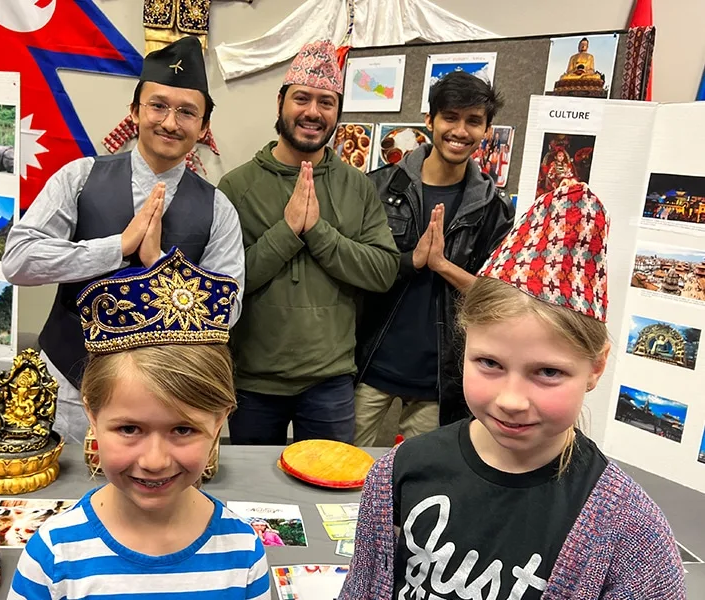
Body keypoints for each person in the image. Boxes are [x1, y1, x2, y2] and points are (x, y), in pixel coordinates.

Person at [338, 182, 686, 600]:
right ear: (464, 347)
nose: (511, 400)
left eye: (548, 372)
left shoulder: (629, 532)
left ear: (596, 367)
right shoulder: (399, 473)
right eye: (489, 364)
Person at [1, 36, 245, 444]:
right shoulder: (79, 177)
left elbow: (228, 310)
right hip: (68, 391)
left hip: (170, 404)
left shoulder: (218, 208)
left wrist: (158, 265)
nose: (170, 122)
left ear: (203, 128)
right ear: (134, 111)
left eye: (187, 112)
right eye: (158, 105)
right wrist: (116, 247)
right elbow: (18, 261)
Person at [8, 248, 270, 600]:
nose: (154, 461)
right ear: (93, 416)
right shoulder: (53, 556)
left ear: (220, 421)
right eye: (130, 429)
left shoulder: (243, 552)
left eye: (183, 430)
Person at [217, 39, 399, 445]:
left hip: (330, 381)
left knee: (326, 498)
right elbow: (222, 286)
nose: (313, 112)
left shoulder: (357, 185)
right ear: (280, 102)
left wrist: (317, 232)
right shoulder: (236, 186)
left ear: (337, 112)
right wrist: (287, 233)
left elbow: (384, 272)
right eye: (302, 98)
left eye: (326, 102)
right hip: (253, 381)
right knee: (254, 494)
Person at [354, 71, 516, 446]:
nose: (460, 130)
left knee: (416, 482)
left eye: (473, 121)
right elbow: (357, 271)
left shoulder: (493, 207)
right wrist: (412, 260)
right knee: (343, 471)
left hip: (439, 379)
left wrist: (442, 265)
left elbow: (499, 297)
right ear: (430, 121)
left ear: (486, 129)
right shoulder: (379, 188)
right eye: (450, 117)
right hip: (368, 365)